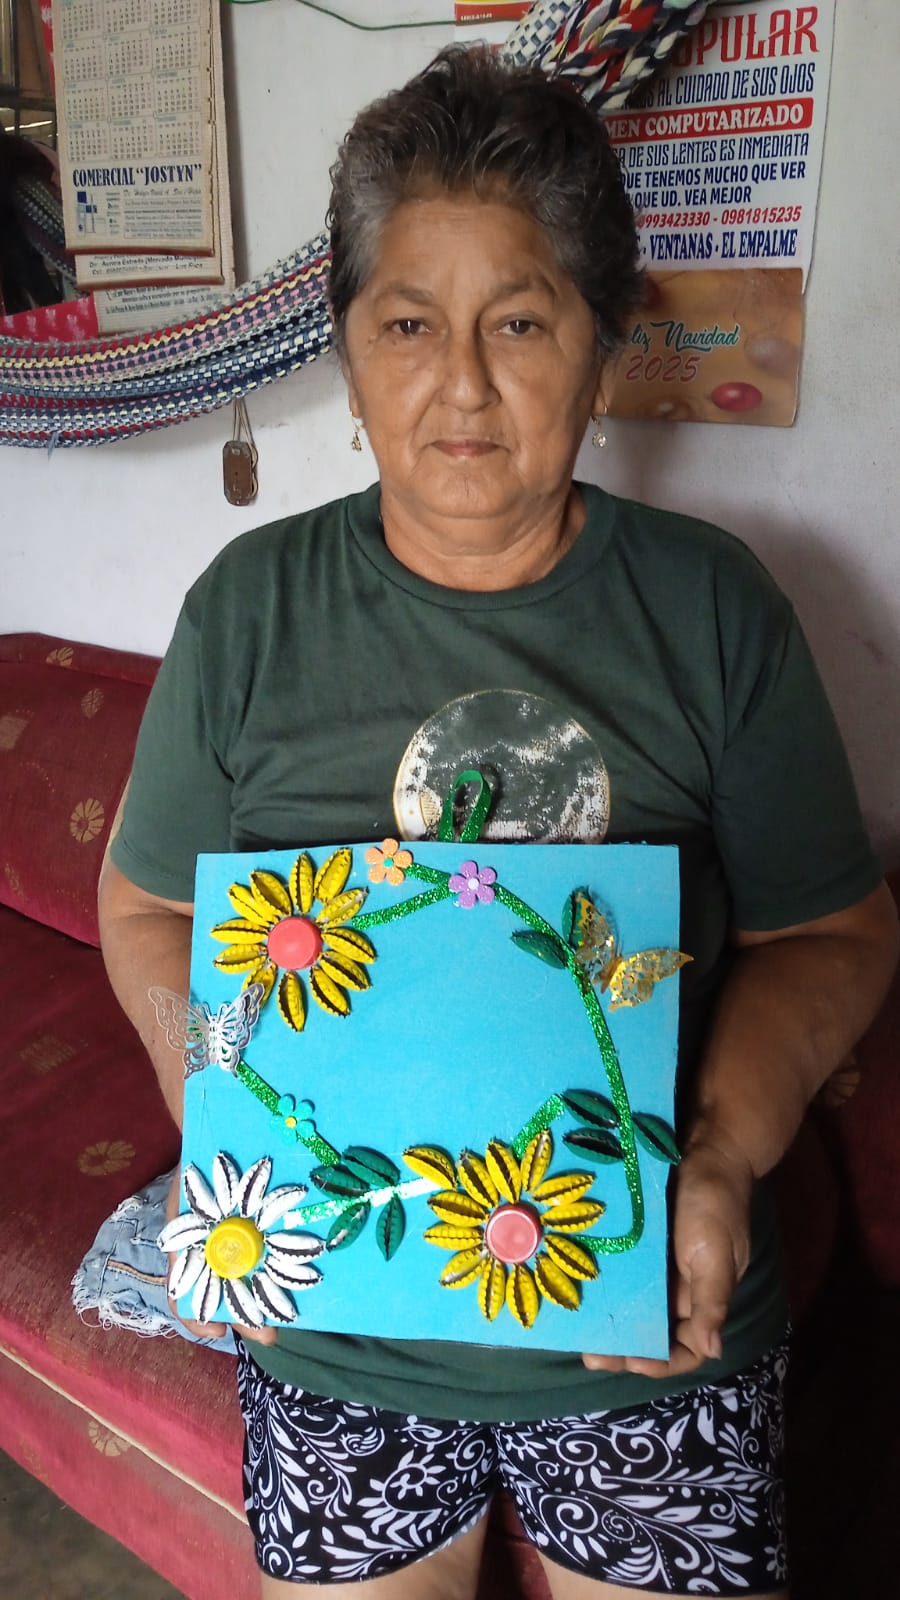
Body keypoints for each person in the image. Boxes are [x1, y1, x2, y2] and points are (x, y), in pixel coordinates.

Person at [98, 46, 898, 1600]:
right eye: (408, 323)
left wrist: (717, 1159)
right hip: (334, 1326)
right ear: (348, 351)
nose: (461, 383)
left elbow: (833, 929)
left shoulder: (711, 609)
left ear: (603, 348)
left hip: (647, 1323)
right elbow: (145, 909)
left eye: (520, 321)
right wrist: (231, 1128)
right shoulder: (250, 613)